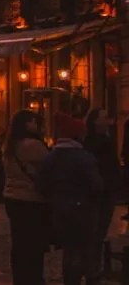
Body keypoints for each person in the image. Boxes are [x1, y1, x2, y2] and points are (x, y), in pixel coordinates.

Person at [39, 111, 103, 285]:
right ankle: (88, 278)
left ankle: (70, 279)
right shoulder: (83, 157)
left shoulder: (51, 157)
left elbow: (43, 183)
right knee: (84, 247)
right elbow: (96, 185)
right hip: (83, 209)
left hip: (59, 207)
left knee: (69, 249)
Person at [2, 109, 50, 285]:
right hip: (30, 198)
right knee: (33, 245)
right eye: (34, 121)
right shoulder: (33, 145)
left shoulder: (10, 145)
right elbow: (50, 165)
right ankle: (33, 278)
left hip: (12, 197)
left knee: (19, 243)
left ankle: (20, 278)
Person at [85, 108, 119, 277]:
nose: (108, 121)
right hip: (101, 193)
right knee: (96, 233)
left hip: (103, 192)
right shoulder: (98, 143)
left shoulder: (101, 140)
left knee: (96, 233)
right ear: (95, 122)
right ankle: (93, 271)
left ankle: (93, 269)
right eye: (104, 118)